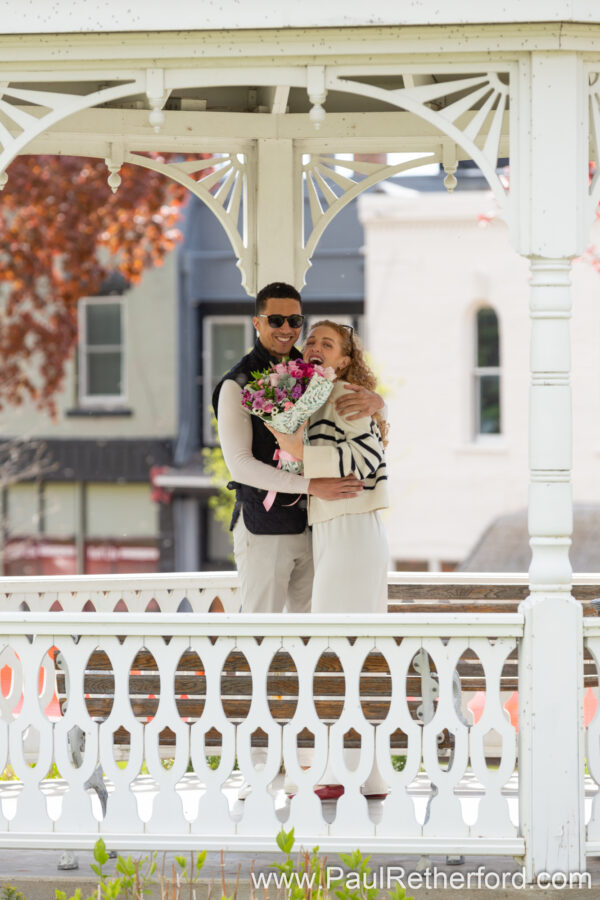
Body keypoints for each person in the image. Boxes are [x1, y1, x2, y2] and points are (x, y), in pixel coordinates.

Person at [267, 320, 390, 798]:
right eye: (311, 340)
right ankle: (364, 773)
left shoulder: (345, 395)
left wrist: (298, 450)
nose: (315, 346)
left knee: (338, 649)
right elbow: (295, 443)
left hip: (353, 529)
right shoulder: (314, 394)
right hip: (334, 528)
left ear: (343, 358)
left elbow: (369, 458)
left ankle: (336, 773)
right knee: (346, 650)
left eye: (328, 343)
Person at [212, 283, 385, 614]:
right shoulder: (235, 385)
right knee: (262, 635)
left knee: (311, 637)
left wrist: (379, 403)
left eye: (295, 320)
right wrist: (311, 485)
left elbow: (354, 413)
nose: (286, 328)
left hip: (319, 528)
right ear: (257, 323)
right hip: (264, 528)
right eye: (275, 320)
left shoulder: (314, 369)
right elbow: (240, 465)